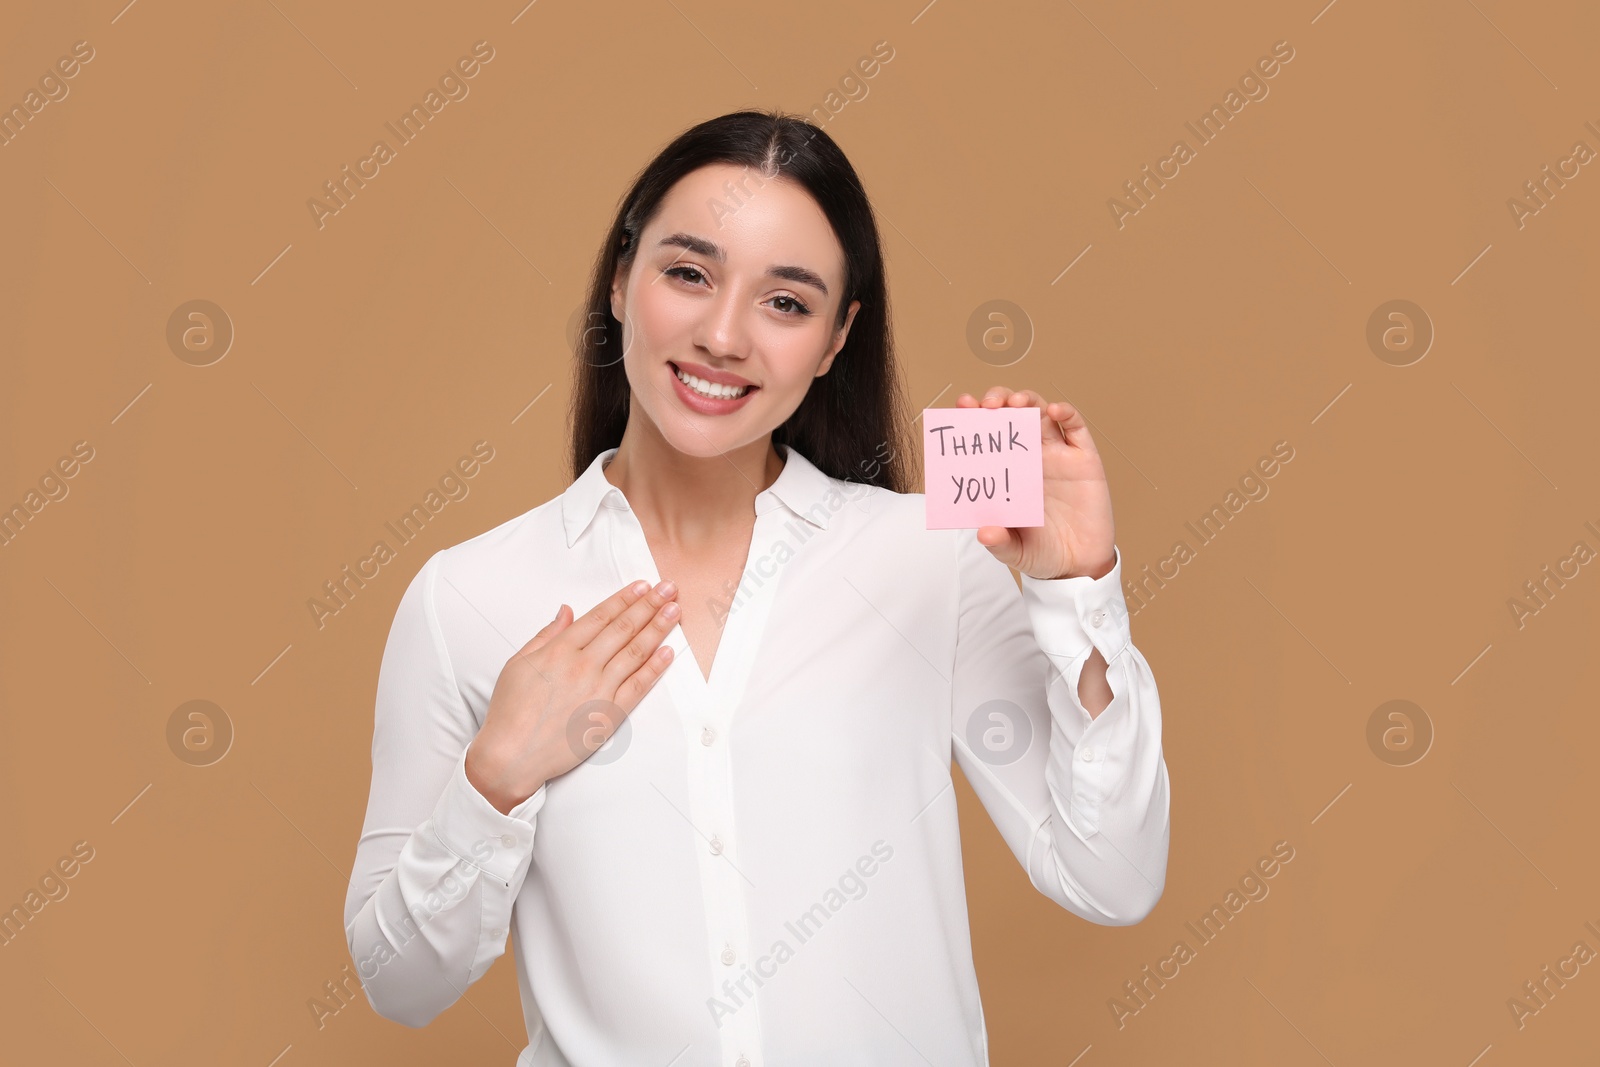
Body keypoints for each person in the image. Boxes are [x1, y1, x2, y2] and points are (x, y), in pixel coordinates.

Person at [344, 109, 1169, 1066]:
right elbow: (399, 987)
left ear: (835, 340)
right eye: (688, 273)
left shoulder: (931, 557)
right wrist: (496, 777)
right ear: (620, 280)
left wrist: (1076, 589)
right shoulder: (468, 596)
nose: (724, 334)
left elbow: (1113, 876)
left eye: (786, 302)